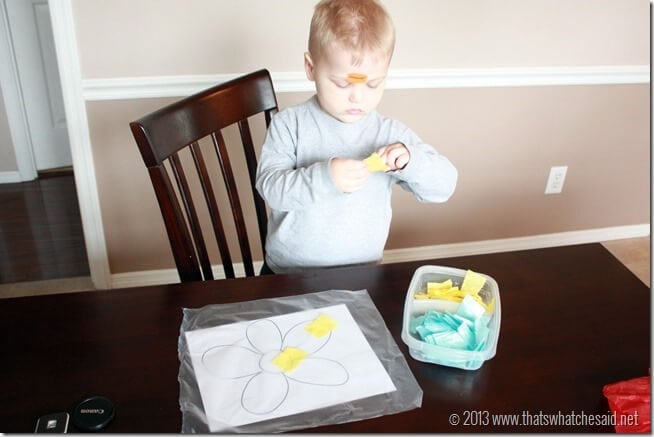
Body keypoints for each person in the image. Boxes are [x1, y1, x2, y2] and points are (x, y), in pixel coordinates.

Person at [255, 0, 457, 274]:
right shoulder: (289, 125)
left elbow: (444, 186)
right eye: (342, 83)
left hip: (362, 274)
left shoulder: (388, 134)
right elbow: (271, 189)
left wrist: (412, 161)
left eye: (373, 84)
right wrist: (325, 178)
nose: (357, 96)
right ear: (310, 68)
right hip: (289, 275)